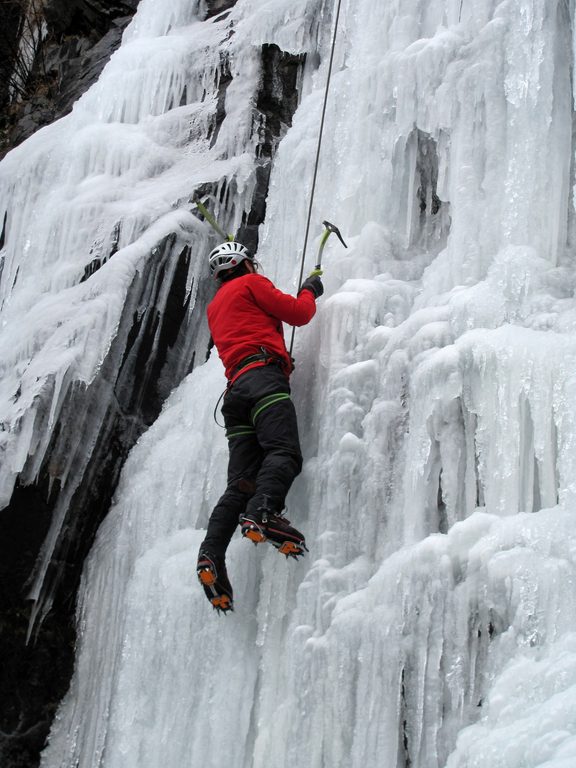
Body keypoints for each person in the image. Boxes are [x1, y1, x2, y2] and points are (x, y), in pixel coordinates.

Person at [196, 240, 323, 612]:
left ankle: (210, 555)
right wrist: (310, 289)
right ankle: (262, 512)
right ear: (245, 264)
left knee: (240, 483)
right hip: (263, 381)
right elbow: (299, 313)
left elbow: (249, 331)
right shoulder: (252, 284)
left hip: (236, 394)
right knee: (283, 452)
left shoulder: (215, 305)